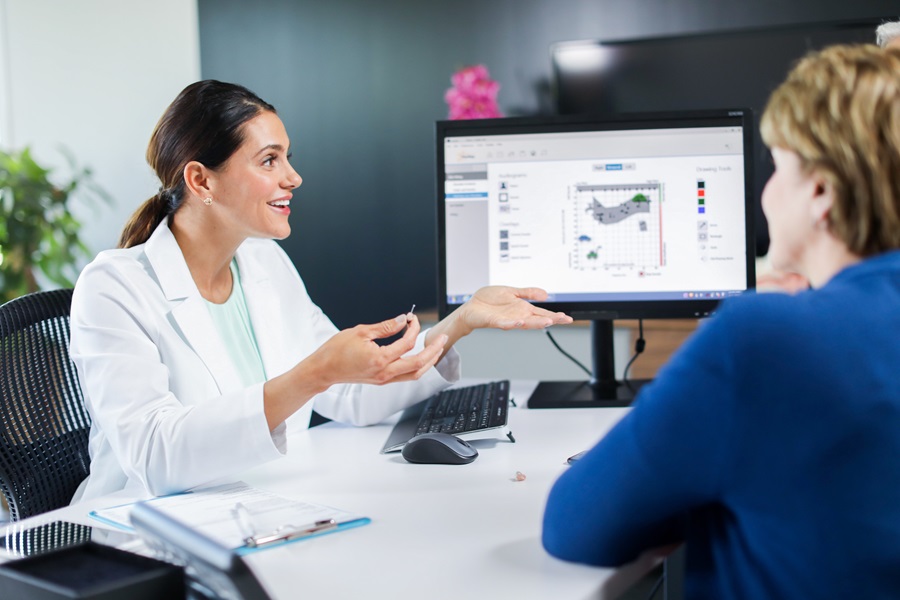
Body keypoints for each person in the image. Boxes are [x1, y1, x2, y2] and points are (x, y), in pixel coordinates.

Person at [69, 80, 572, 502]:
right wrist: (313, 374)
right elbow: (154, 457)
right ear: (202, 180)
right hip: (141, 533)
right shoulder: (114, 288)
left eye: (288, 157)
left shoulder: (264, 264)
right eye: (269, 160)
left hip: (262, 506)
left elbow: (350, 394)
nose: (293, 177)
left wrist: (461, 321)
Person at [542, 44, 900, 599]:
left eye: (777, 167)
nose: (766, 192)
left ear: (822, 192)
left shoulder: (763, 338)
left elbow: (575, 527)